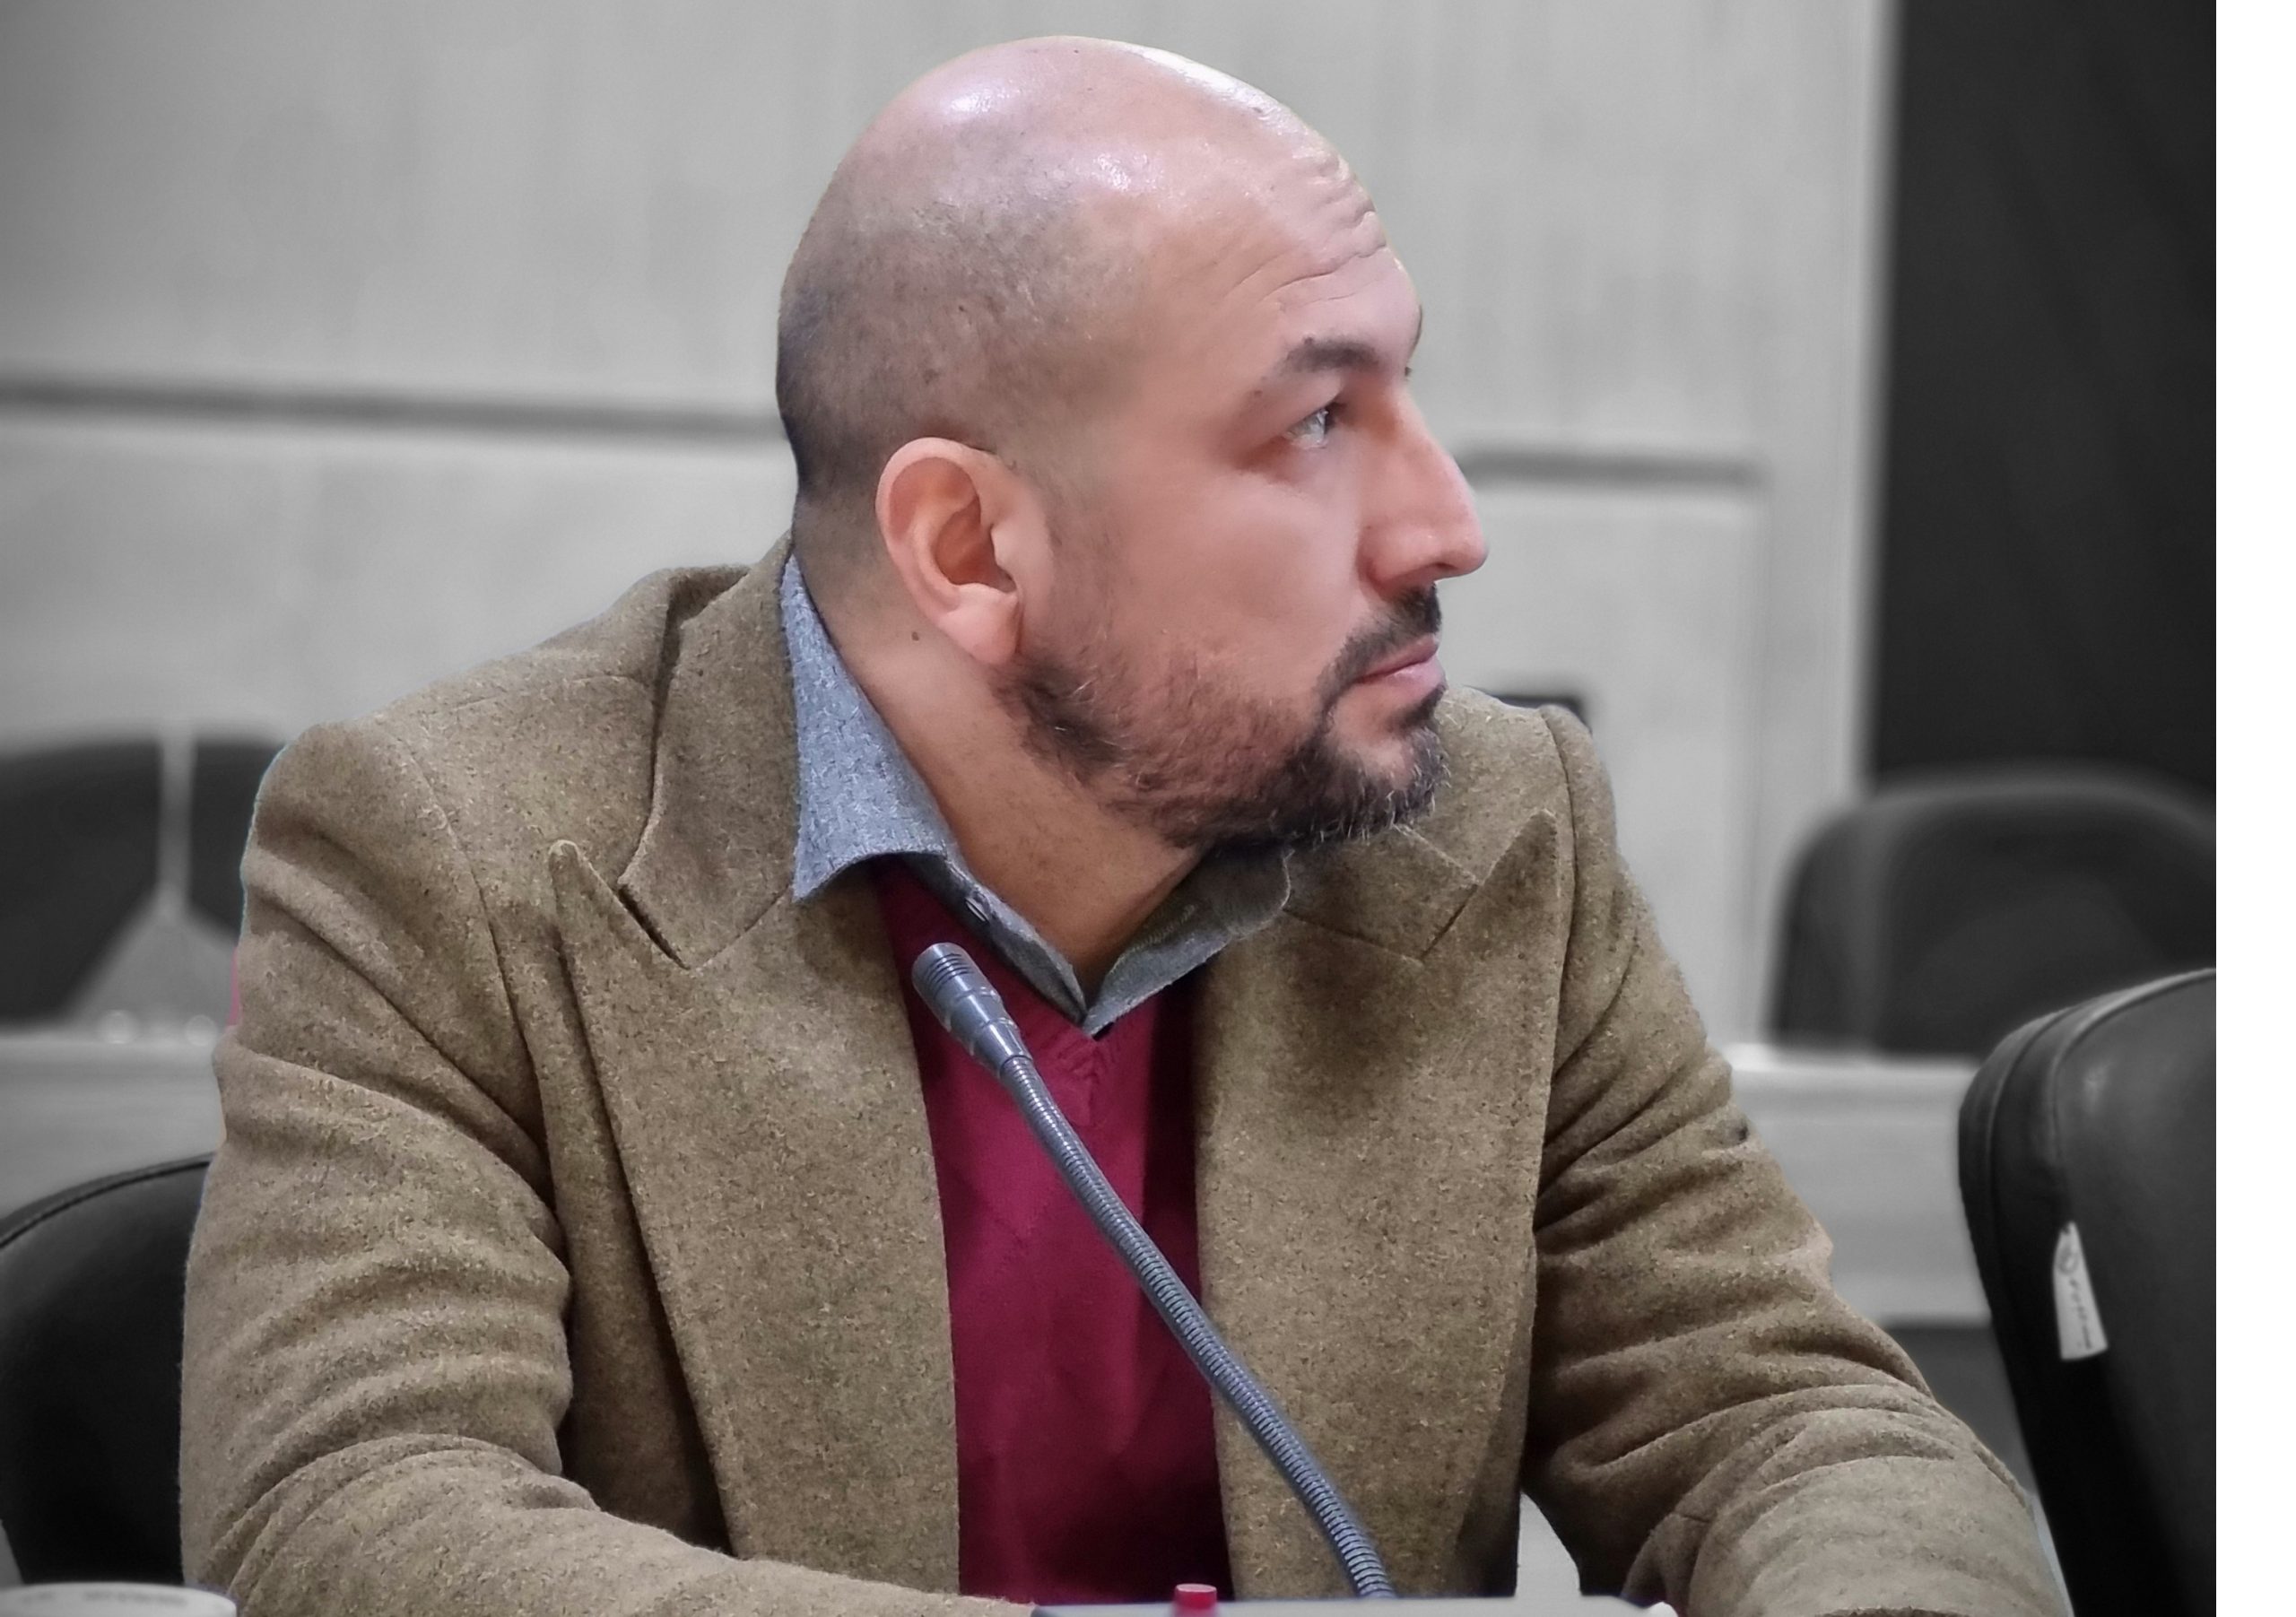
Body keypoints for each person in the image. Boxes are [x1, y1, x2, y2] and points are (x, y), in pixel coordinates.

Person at [179, 36, 2063, 1617]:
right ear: (972, 548)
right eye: (1312, 426)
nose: (1447, 524)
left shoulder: (1498, 834)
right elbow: (358, 1508)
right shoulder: (453, 852)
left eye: (1403, 386)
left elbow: (1784, 1420)